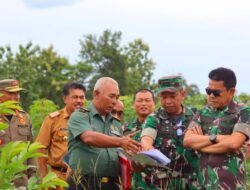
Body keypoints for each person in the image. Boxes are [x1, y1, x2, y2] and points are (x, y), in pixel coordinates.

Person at [66, 77, 141, 190]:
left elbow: (120, 155)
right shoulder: (80, 115)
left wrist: (138, 160)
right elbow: (89, 138)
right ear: (96, 94)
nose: (115, 101)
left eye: (117, 97)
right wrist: (121, 141)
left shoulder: (115, 123)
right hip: (83, 183)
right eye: (111, 96)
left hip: (112, 184)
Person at [183, 67, 250, 189]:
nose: (211, 96)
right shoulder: (202, 112)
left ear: (231, 91)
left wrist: (201, 144)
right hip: (203, 185)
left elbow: (234, 143)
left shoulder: (243, 112)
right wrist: (215, 139)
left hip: (231, 186)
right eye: (208, 91)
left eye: (216, 92)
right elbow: (187, 141)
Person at [140, 75, 199, 190]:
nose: (168, 101)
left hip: (192, 183)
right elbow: (146, 139)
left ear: (183, 94)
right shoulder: (154, 119)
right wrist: (147, 147)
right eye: (164, 97)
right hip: (163, 184)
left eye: (172, 96)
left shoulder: (196, 118)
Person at [36, 82, 86, 188]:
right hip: (58, 178)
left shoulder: (89, 119)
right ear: (65, 99)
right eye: (75, 97)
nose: (79, 101)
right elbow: (40, 149)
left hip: (83, 178)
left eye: (82, 97)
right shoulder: (53, 120)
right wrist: (45, 179)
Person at [0, 79, 36, 188]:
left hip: (21, 180)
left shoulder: (24, 117)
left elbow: (30, 148)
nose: (16, 97)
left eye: (18, 93)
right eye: (11, 93)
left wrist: (32, 174)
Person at [123, 89, 155, 189]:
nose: (143, 104)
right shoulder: (126, 129)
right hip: (136, 184)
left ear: (154, 104)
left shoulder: (162, 125)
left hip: (158, 183)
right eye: (140, 101)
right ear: (134, 104)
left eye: (147, 100)